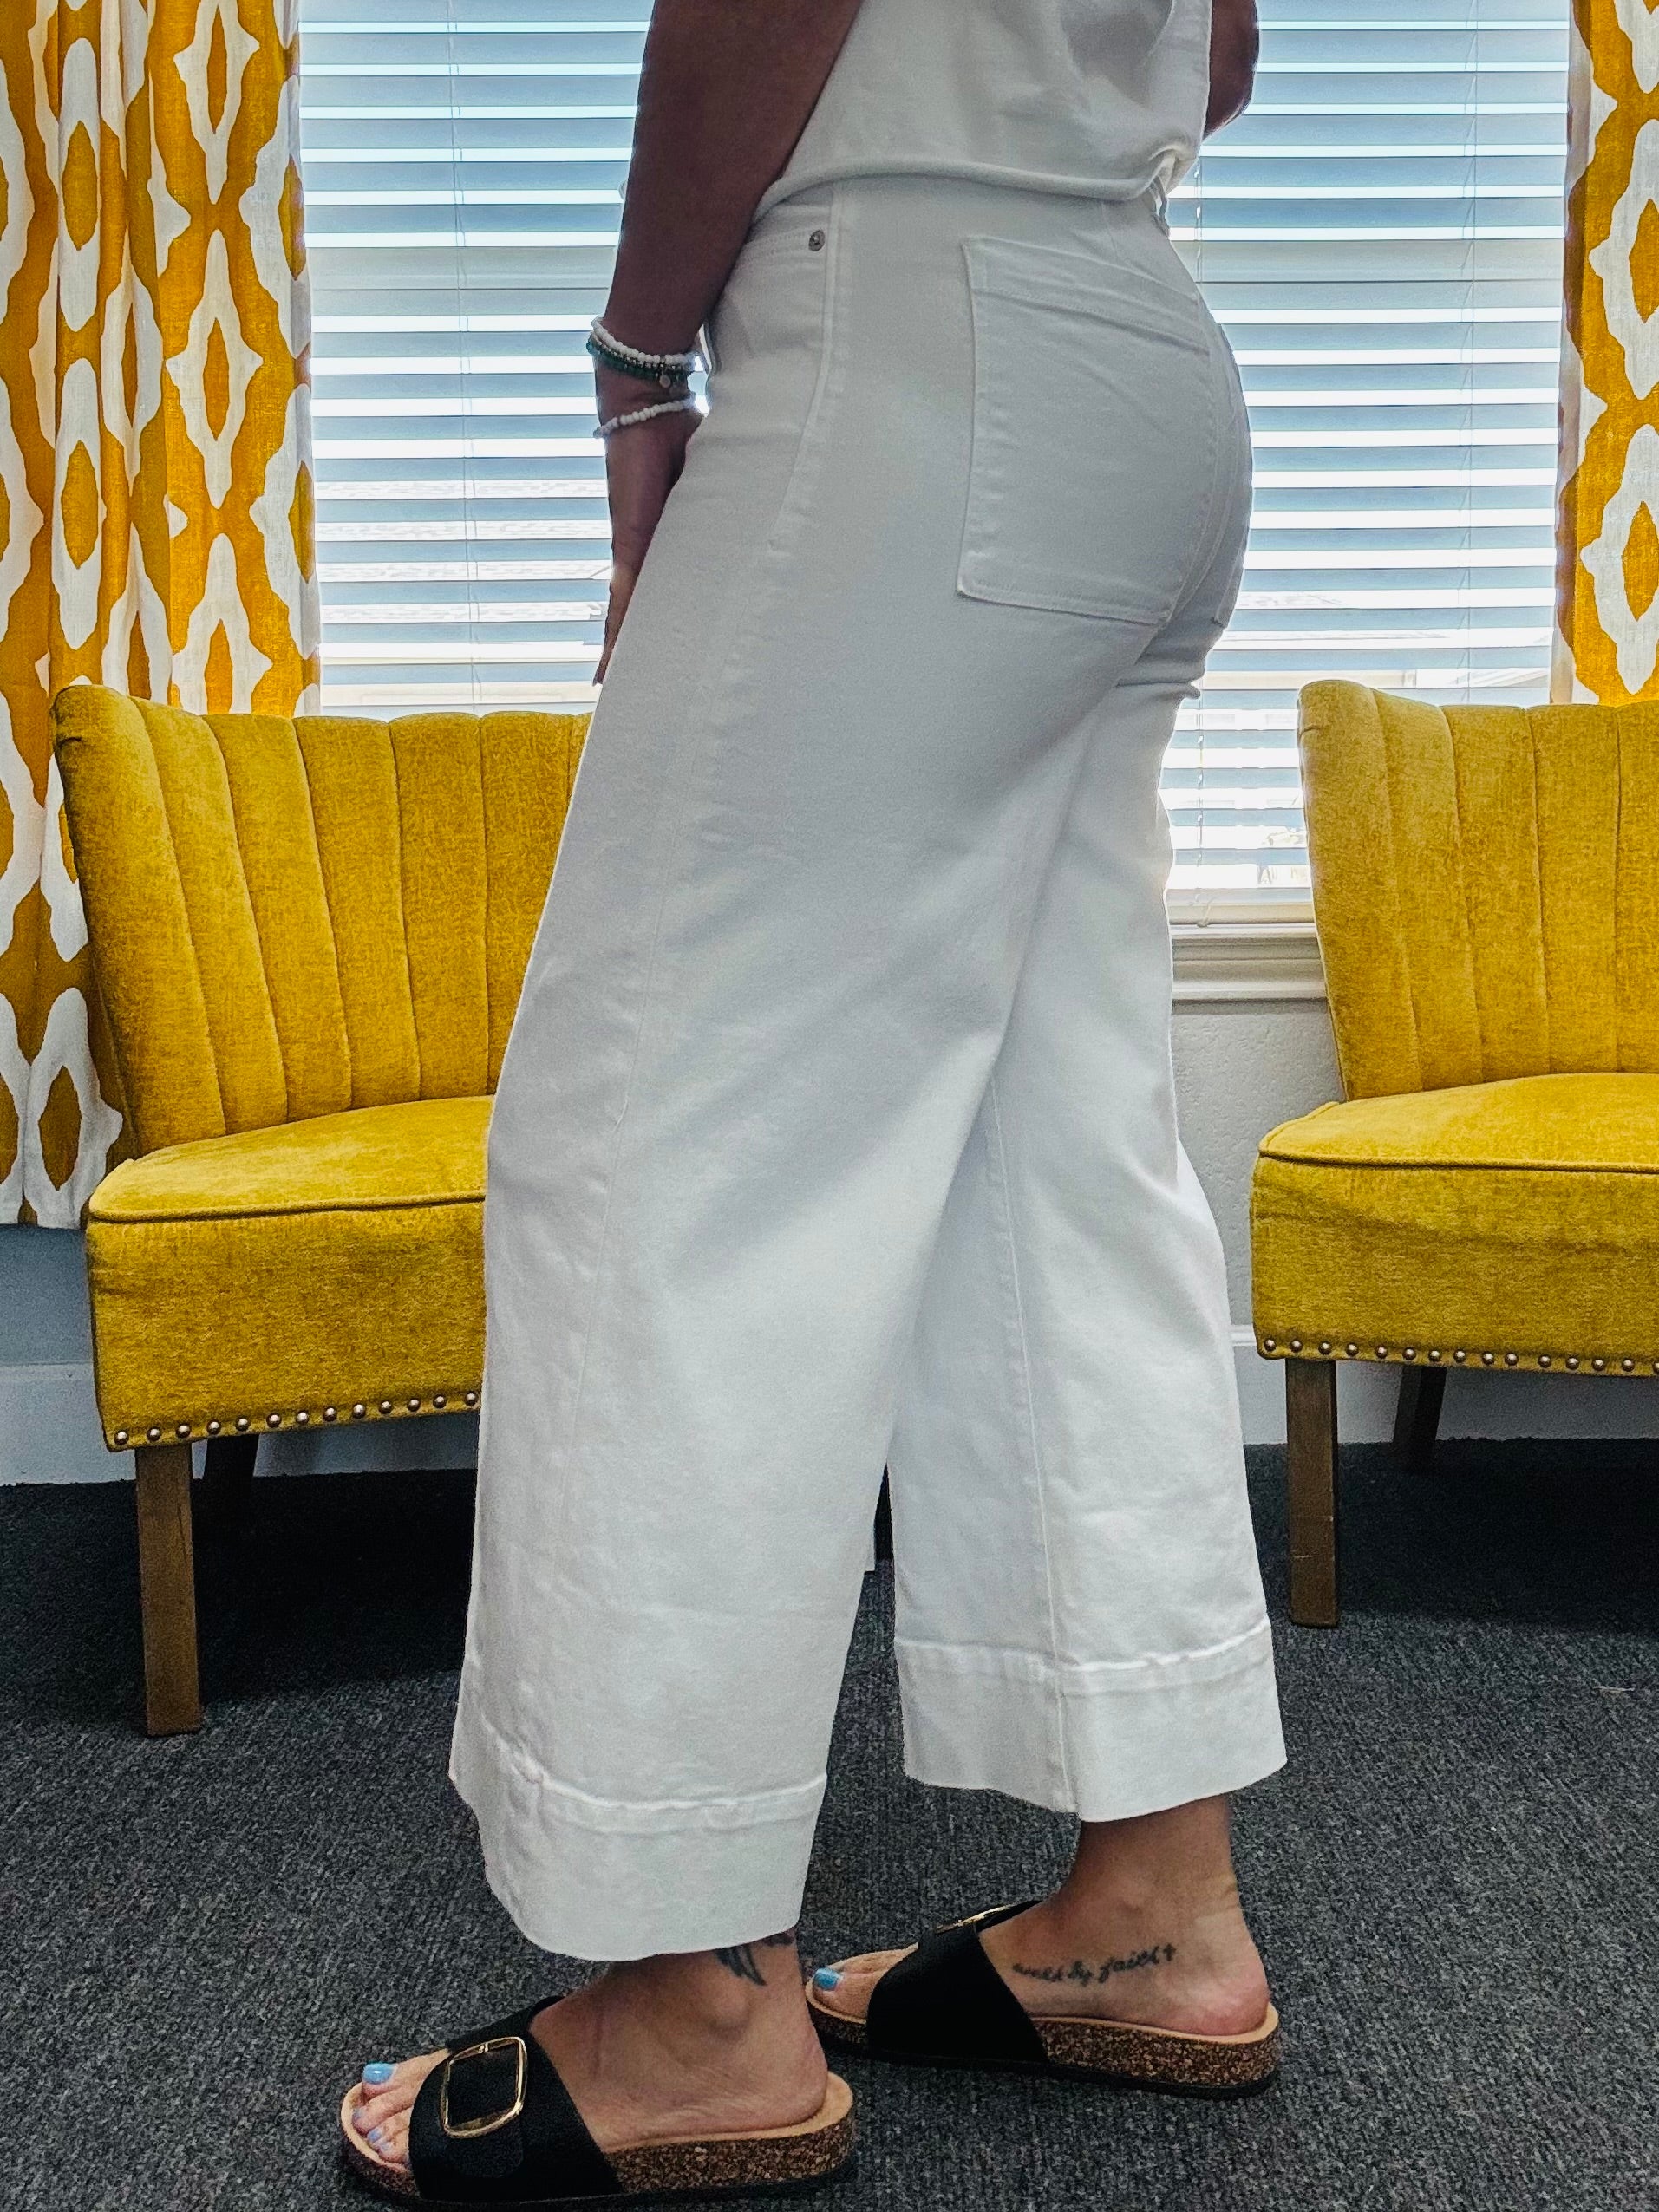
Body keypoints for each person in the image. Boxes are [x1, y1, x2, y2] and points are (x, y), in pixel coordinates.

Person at [338, 1, 1283, 2201]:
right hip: (1140, 359)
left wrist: (635, 355)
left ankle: (691, 2010)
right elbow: (1221, 57)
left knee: (657, 1142)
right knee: (1053, 1151)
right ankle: (1154, 1907)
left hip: (908, 353)